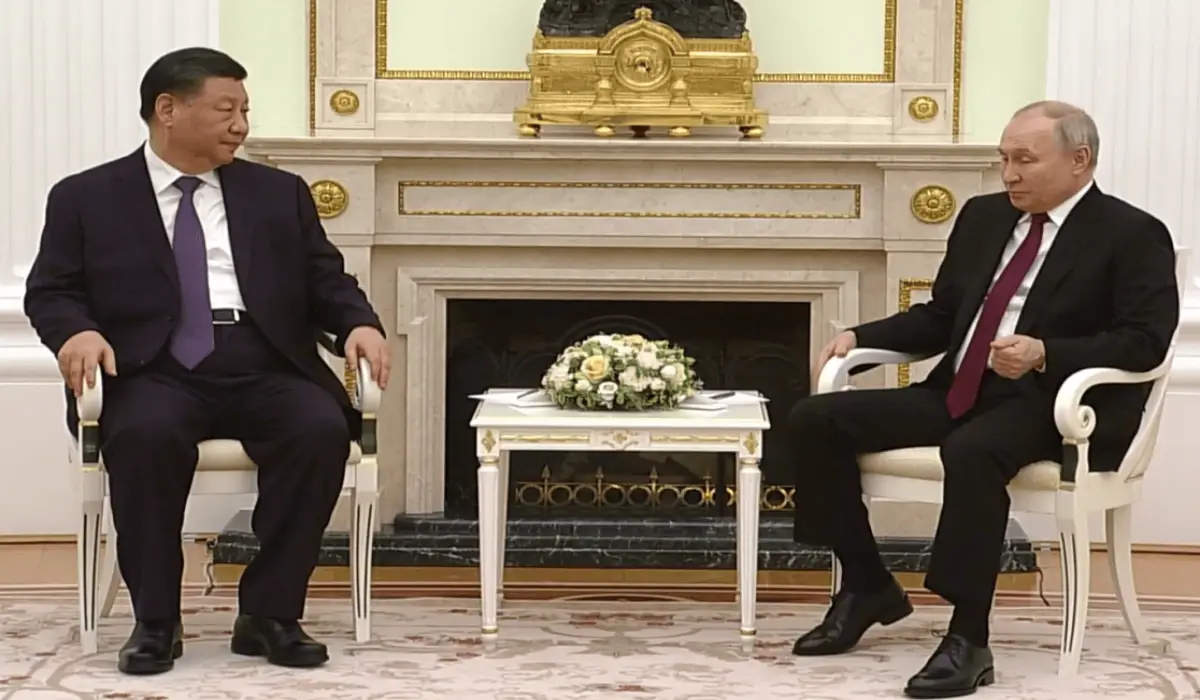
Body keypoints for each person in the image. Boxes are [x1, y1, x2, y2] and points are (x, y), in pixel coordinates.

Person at [787, 100, 1178, 697]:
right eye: (1003, 159)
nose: (1009, 174)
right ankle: (866, 585)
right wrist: (859, 337)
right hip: (960, 389)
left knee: (971, 451)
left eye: (1025, 160)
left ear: (1080, 160)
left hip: (1055, 407)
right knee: (815, 418)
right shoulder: (983, 216)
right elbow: (943, 316)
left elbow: (1144, 341)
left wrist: (1045, 352)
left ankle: (968, 637)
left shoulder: (1132, 233)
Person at [23, 47, 390, 675]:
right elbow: (52, 290)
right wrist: (75, 333)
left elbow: (324, 278)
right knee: (144, 437)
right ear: (168, 109)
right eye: (226, 110)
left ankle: (270, 614)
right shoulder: (87, 196)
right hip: (150, 368)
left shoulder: (278, 193)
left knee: (318, 429)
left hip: (262, 358)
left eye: (245, 110)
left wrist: (359, 323)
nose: (241, 125)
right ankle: (156, 621)